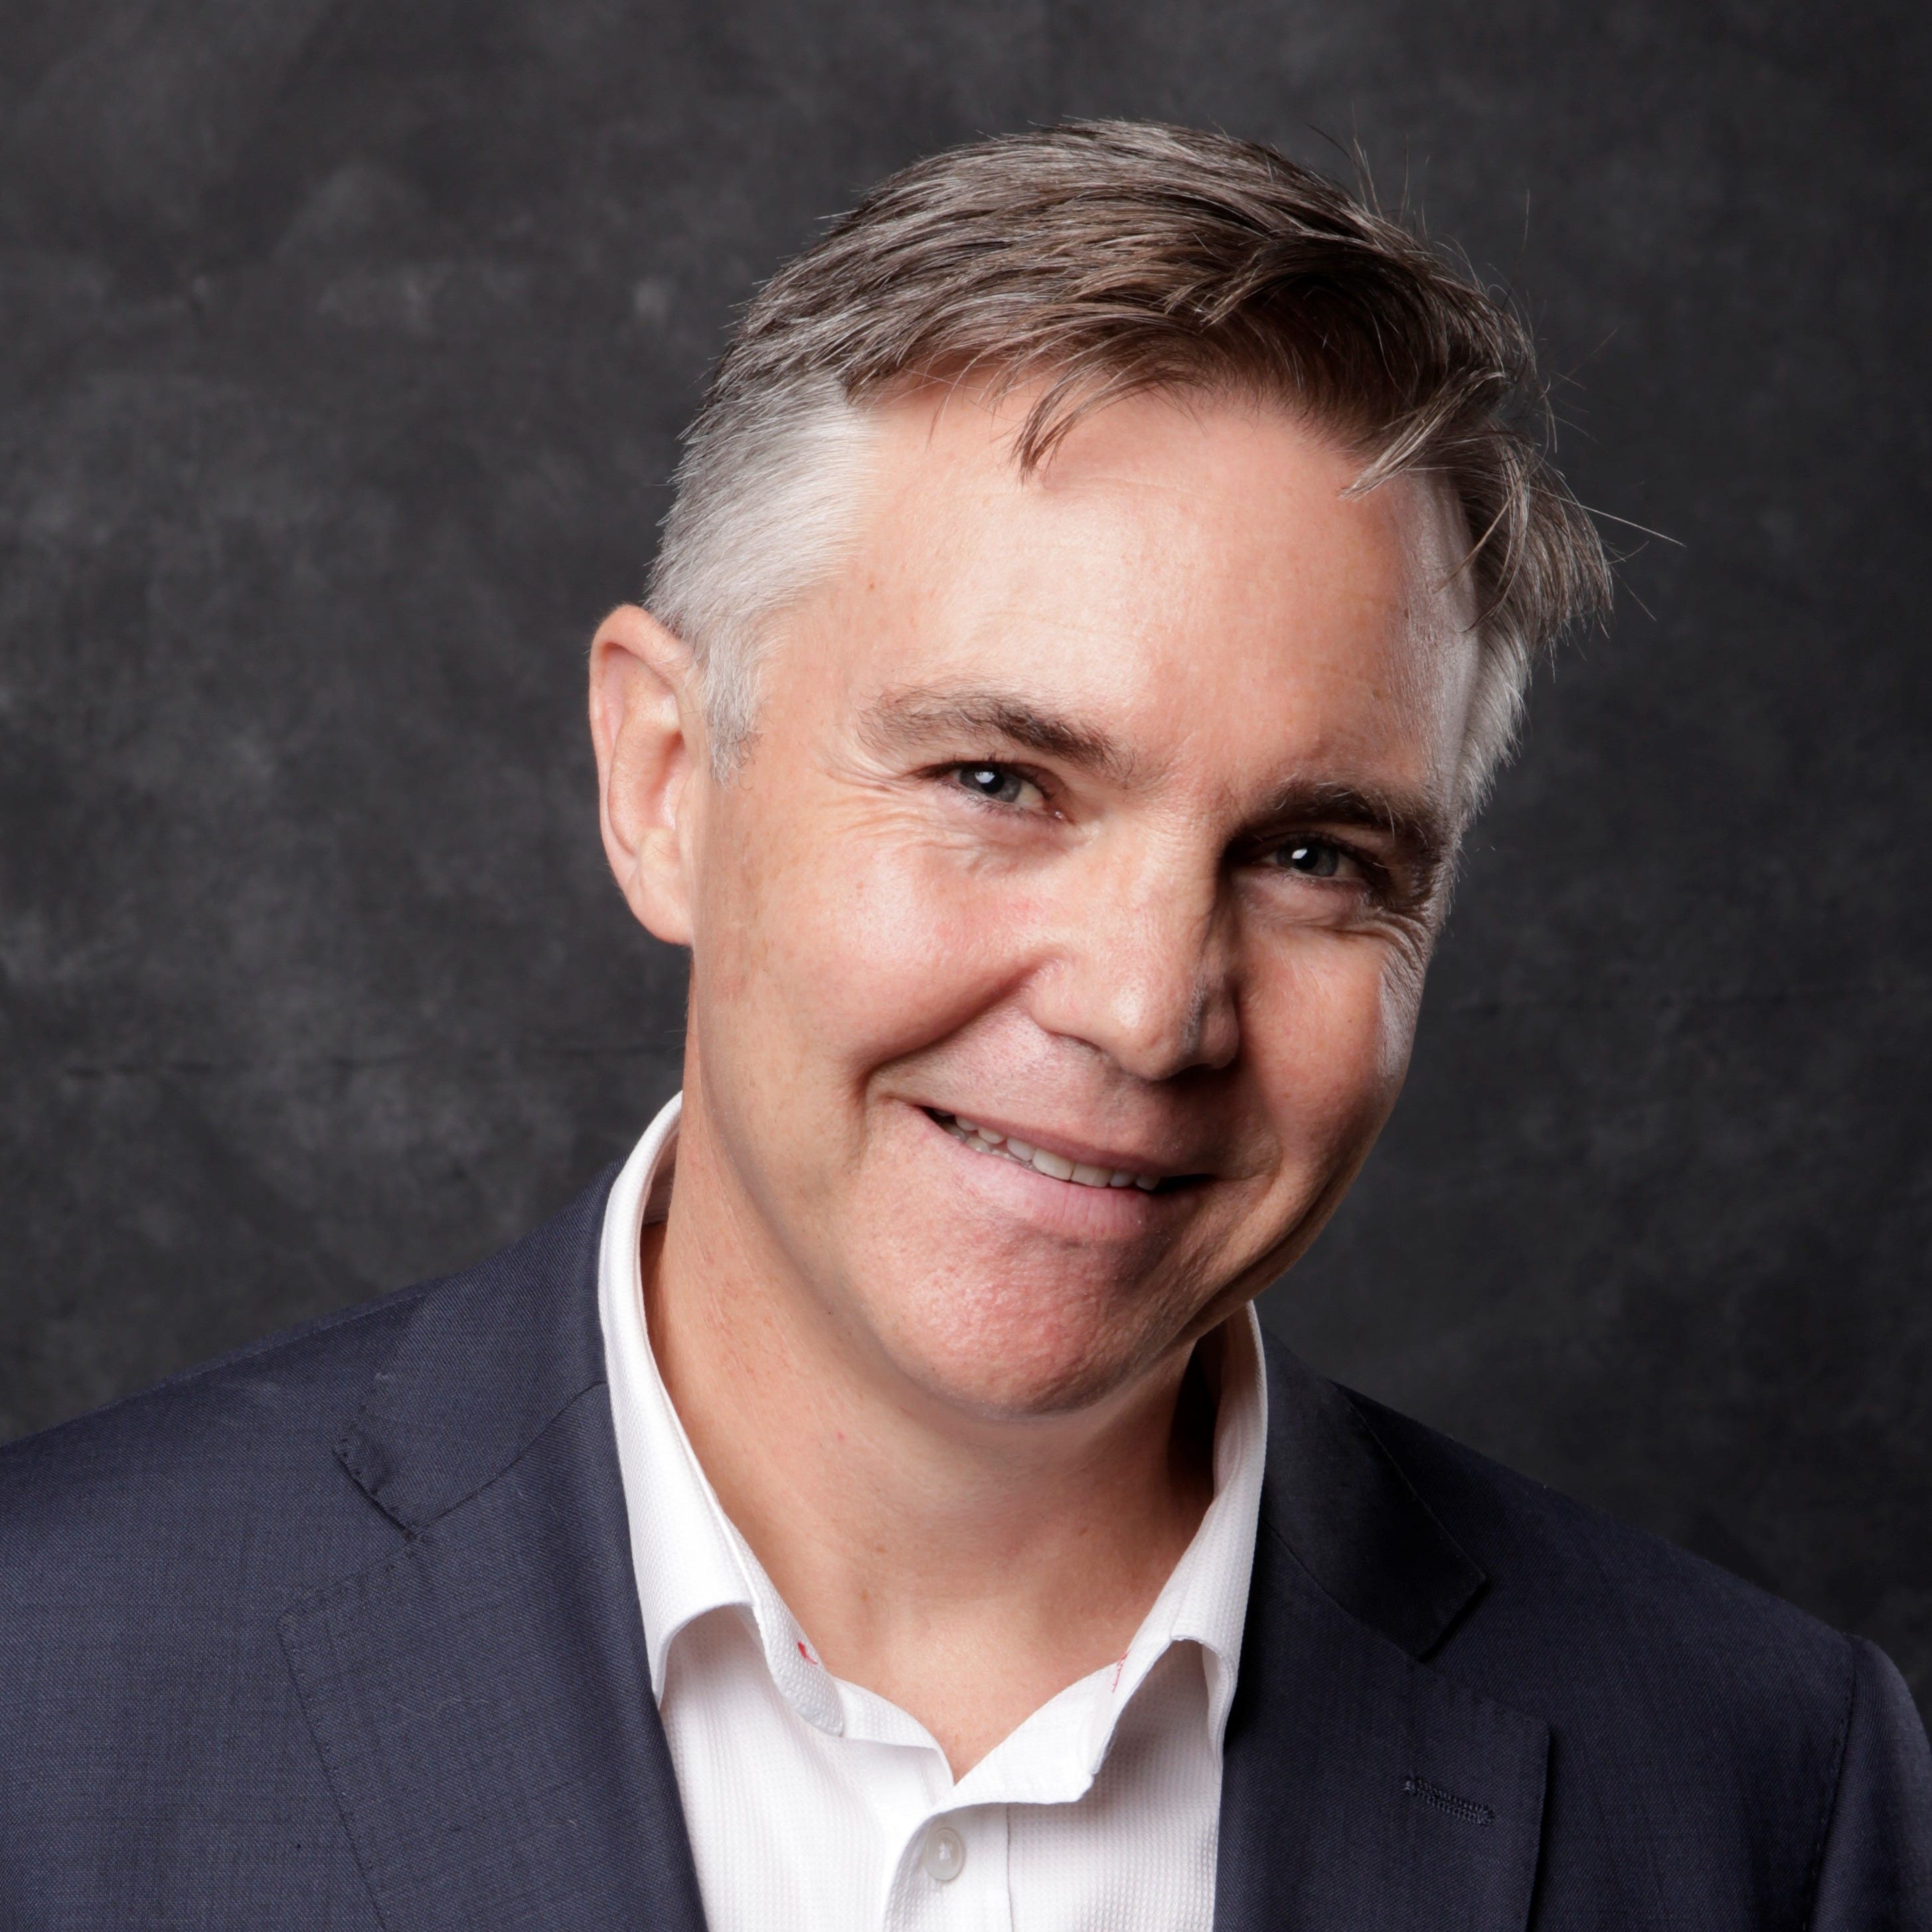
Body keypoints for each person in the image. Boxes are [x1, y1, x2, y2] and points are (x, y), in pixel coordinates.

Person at [1, 120, 1925, 1929]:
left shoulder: (1761, 1792)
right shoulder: (47, 1684)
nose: (1145, 1010)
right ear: (666, 782)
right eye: (1000, 782)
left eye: (1314, 856)